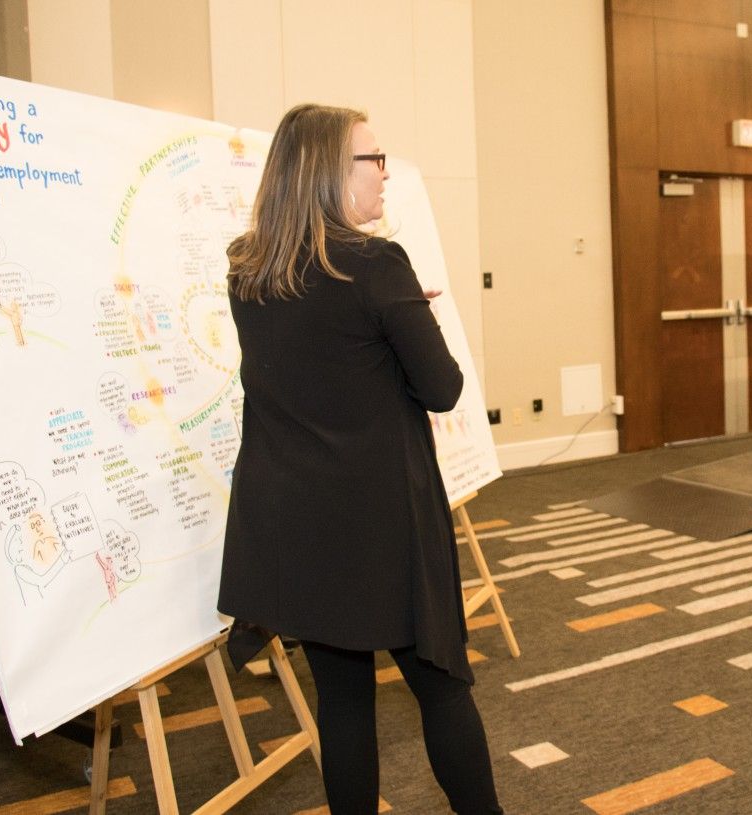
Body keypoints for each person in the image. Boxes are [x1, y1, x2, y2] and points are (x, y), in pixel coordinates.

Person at [216, 103, 503, 815]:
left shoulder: (248, 271)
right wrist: (412, 313)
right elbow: (441, 388)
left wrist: (395, 317)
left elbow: (325, 365)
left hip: (298, 527)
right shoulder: (377, 265)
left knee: (342, 704)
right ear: (325, 173)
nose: (384, 175)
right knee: (441, 686)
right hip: (383, 527)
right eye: (373, 160)